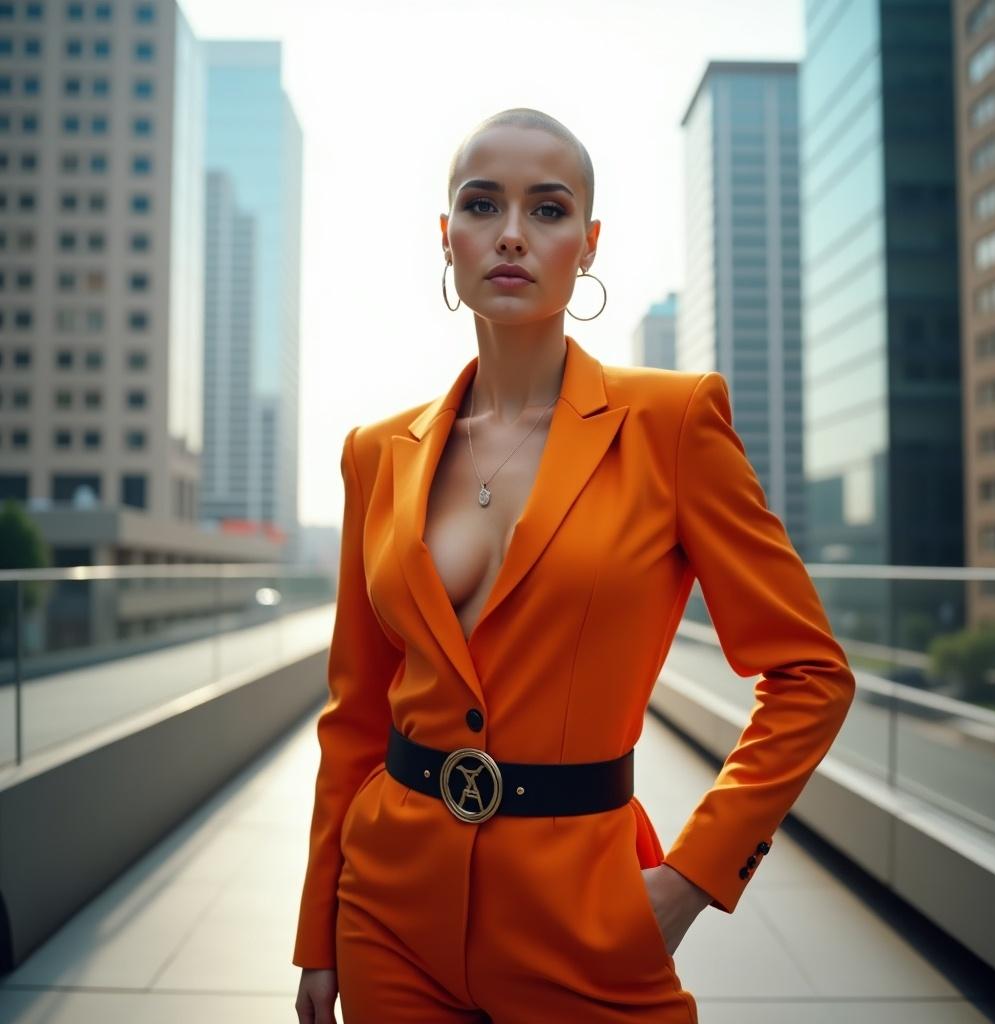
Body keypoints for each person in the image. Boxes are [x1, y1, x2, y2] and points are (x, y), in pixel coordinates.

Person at [293, 107, 856, 1023]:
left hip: (586, 915)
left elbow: (811, 677)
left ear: (588, 244)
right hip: (389, 907)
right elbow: (355, 708)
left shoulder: (673, 425)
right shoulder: (376, 451)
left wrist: (687, 881)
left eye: (547, 210)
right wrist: (319, 924)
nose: (511, 233)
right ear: (447, 239)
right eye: (482, 205)